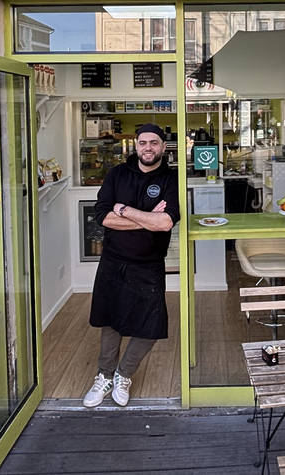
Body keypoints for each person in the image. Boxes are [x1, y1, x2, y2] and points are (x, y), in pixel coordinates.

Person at [83, 123, 180, 408]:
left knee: (149, 326)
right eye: (142, 143)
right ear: (135, 146)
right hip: (113, 261)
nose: (147, 147)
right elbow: (102, 216)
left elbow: (164, 223)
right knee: (110, 322)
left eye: (154, 142)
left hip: (149, 264)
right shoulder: (117, 174)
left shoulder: (170, 179)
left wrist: (124, 209)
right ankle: (104, 376)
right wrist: (146, 219)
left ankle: (124, 374)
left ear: (163, 147)